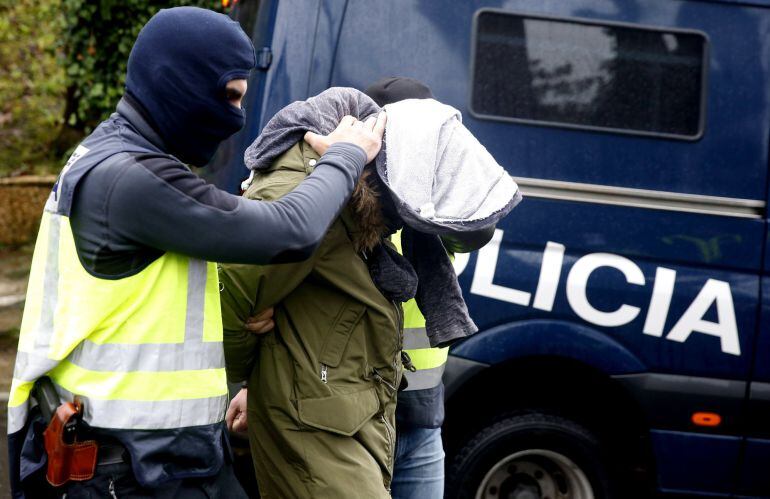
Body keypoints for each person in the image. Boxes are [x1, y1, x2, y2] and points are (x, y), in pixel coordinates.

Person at [6, 7, 383, 498]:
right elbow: (288, 230)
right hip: (126, 469)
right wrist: (345, 155)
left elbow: (152, 285)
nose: (237, 117)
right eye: (229, 97)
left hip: (165, 458)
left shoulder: (120, 155)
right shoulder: (130, 178)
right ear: (179, 80)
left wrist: (247, 309)